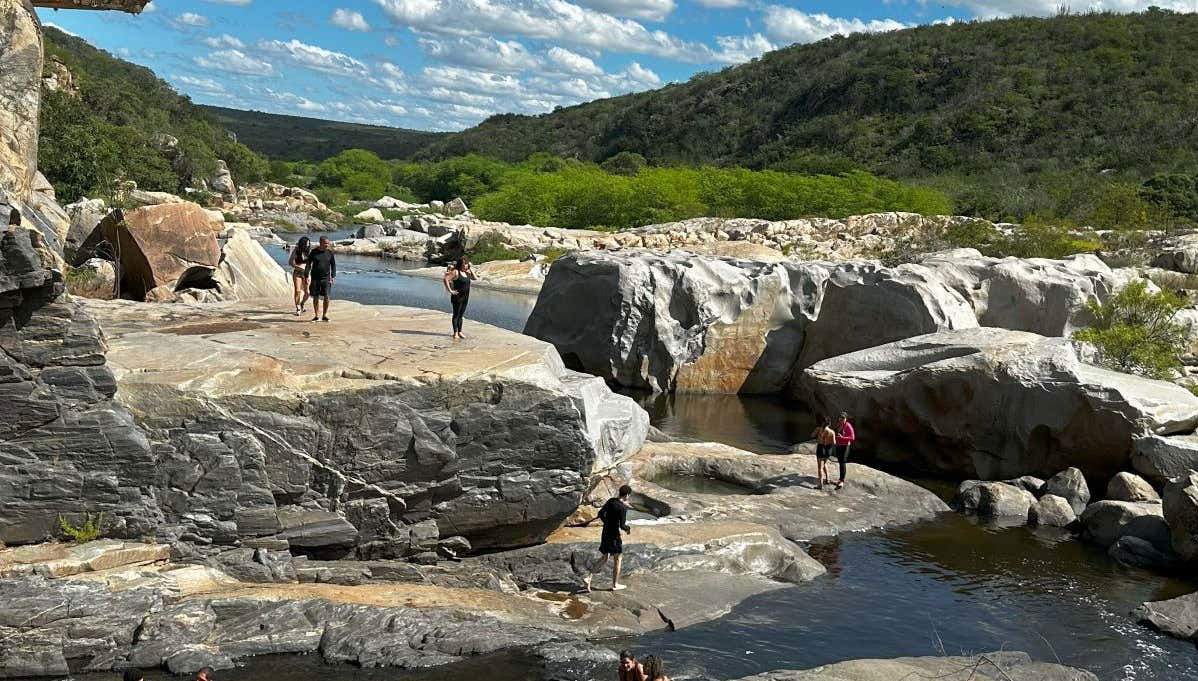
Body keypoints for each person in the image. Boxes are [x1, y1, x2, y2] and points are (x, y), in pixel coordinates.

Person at [584, 484, 632, 592]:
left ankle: (589, 577)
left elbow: (600, 513)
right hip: (614, 535)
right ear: (627, 495)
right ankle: (615, 584)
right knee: (618, 558)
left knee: (605, 557)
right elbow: (622, 526)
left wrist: (607, 523)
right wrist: (628, 529)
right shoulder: (622, 508)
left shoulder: (611, 501)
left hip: (605, 532)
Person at [443, 255, 477, 340]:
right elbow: (446, 279)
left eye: (466, 264)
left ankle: (460, 332)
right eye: (463, 264)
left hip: (465, 297)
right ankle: (455, 333)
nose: (465, 265)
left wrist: (471, 270)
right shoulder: (456, 272)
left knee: (461, 315)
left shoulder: (467, 273)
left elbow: (475, 278)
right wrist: (450, 290)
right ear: (460, 264)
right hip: (457, 297)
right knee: (456, 315)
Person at [304, 236, 336, 322]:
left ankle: (324, 315)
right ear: (321, 243)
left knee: (327, 296)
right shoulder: (314, 252)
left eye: (328, 243)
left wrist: (333, 276)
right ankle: (316, 315)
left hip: (326, 278)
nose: (327, 245)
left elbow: (333, 265)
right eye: (326, 243)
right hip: (315, 278)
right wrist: (306, 276)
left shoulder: (330, 253)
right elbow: (308, 264)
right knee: (315, 297)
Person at [288, 236, 311, 316]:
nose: (308, 245)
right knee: (297, 291)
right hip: (297, 273)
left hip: (306, 274)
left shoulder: (309, 251)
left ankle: (302, 304)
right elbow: (290, 262)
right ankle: (297, 307)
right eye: (307, 243)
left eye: (309, 243)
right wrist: (298, 267)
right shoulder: (296, 250)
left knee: (307, 292)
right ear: (303, 243)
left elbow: (311, 264)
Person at [811, 416, 837, 489]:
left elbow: (812, 435)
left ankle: (820, 485)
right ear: (829, 424)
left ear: (823, 423)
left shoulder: (818, 429)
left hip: (821, 448)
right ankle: (828, 479)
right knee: (824, 463)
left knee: (820, 467)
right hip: (828, 449)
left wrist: (818, 435)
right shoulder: (832, 432)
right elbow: (834, 443)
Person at [833, 411, 855, 490]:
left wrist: (842, 437)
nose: (841, 419)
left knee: (842, 462)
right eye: (840, 417)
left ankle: (842, 480)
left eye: (843, 418)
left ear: (846, 418)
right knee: (840, 461)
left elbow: (852, 437)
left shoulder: (848, 426)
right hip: (838, 445)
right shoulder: (839, 424)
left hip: (845, 446)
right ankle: (840, 479)